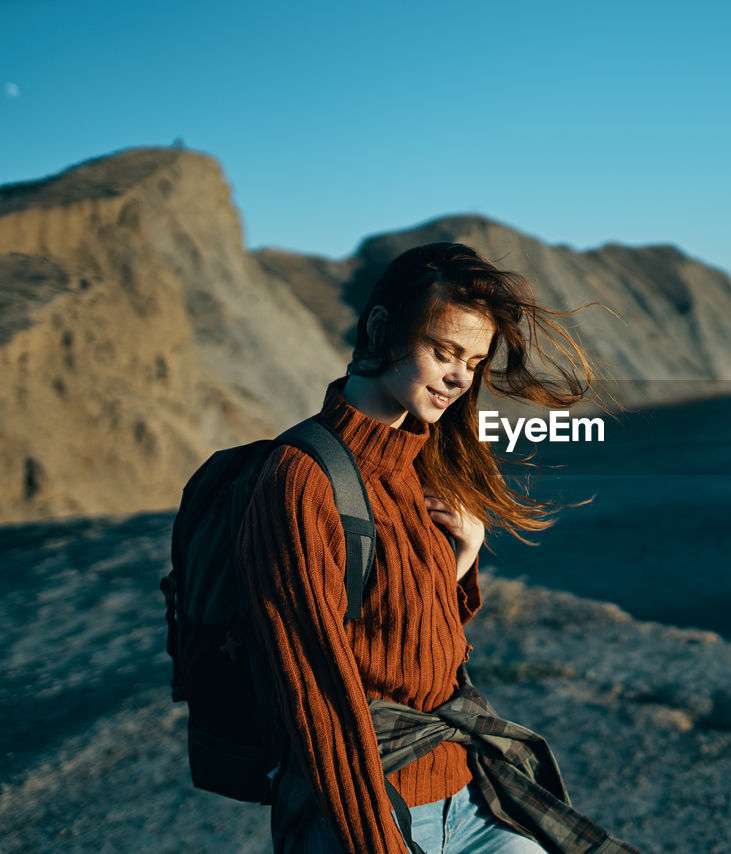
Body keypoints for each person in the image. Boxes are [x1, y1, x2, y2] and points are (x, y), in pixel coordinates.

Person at [235, 242, 601, 854]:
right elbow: (320, 701)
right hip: (370, 814)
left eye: (474, 360)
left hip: (466, 796)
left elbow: (413, 646)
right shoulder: (300, 481)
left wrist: (461, 559)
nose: (460, 377)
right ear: (382, 329)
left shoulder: (419, 463)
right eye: (444, 351)